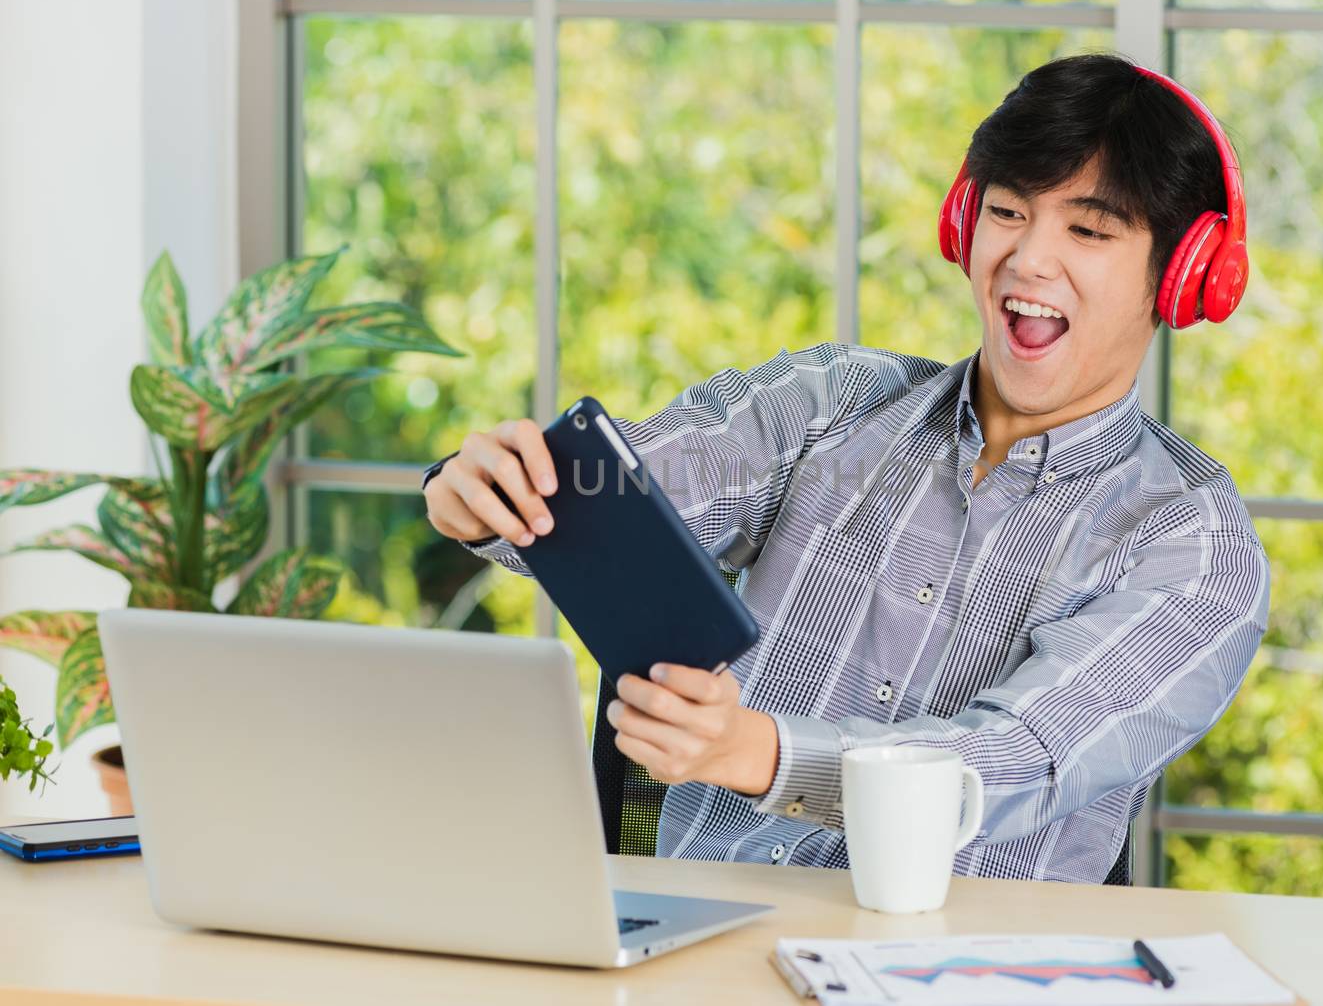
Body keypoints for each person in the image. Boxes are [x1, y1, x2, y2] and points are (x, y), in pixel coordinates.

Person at [420, 52, 1269, 883]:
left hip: (965, 971)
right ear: (964, 222)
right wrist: (494, 491)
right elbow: (632, 492)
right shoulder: (832, 400)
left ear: (1183, 276)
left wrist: (752, 750)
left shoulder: (1193, 543)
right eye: (1008, 212)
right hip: (701, 942)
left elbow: (1015, 761)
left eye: (1087, 230)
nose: (1028, 260)